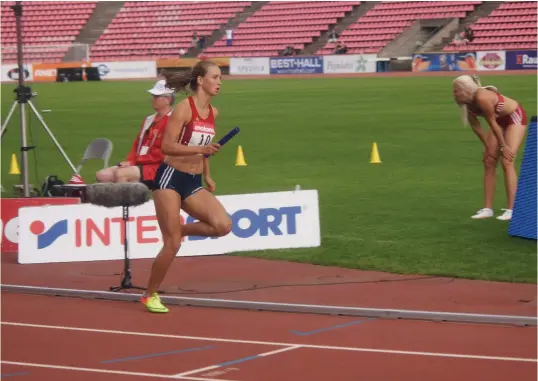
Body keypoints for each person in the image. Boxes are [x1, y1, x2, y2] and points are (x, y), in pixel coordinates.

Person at [141, 60, 232, 313]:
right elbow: (167, 147)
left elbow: (205, 149)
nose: (219, 82)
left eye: (221, 78)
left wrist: (207, 175)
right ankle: (150, 294)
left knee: (223, 226)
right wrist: (201, 149)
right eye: (215, 77)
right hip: (170, 177)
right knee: (172, 245)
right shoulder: (183, 108)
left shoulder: (214, 113)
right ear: (201, 80)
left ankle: (178, 229)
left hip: (193, 181)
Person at [452, 74, 528, 221]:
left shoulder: (482, 98)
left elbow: (492, 123)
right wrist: (488, 147)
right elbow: (477, 127)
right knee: (488, 161)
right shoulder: (467, 104)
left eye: (456, 90)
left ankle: (512, 209)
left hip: (514, 117)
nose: (454, 94)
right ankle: (487, 209)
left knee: (507, 161)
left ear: (467, 90)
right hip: (498, 122)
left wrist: (503, 146)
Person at [95, 80, 175, 186]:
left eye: (156, 96)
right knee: (102, 175)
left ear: (168, 99)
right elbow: (137, 145)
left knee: (121, 174)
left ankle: (125, 202)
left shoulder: (174, 120)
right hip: (142, 164)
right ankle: (112, 202)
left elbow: (163, 154)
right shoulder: (149, 120)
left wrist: (135, 162)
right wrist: (129, 161)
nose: (153, 99)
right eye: (153, 96)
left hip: (160, 167)